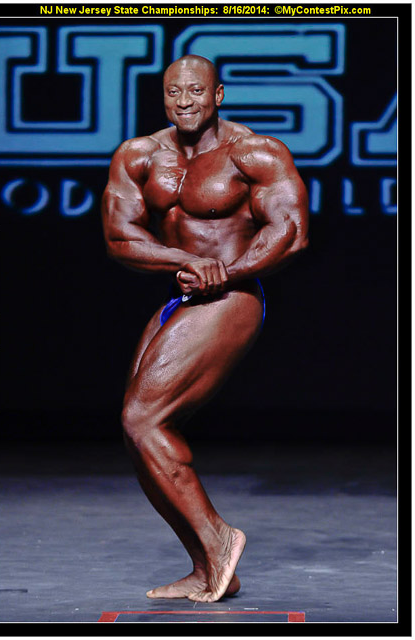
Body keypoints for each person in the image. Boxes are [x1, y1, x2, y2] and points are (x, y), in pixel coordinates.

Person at [102, 55, 309, 603]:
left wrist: (227, 271)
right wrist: (186, 261)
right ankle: (207, 567)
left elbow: (289, 232)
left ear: (218, 95)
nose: (184, 101)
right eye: (174, 92)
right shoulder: (139, 155)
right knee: (138, 433)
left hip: (233, 296)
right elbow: (120, 237)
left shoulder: (255, 152)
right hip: (183, 295)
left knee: (143, 417)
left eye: (195, 91)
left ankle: (220, 538)